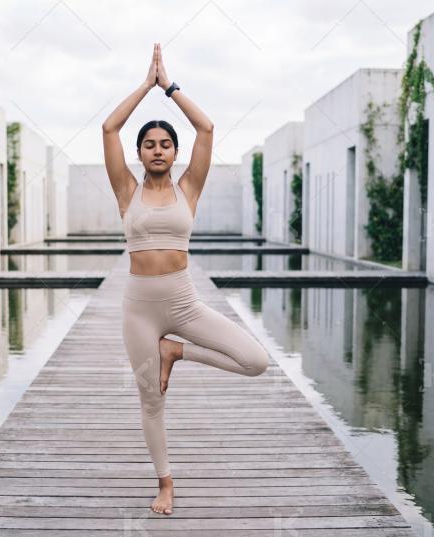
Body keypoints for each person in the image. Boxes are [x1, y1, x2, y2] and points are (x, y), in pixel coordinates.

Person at [101, 43, 270, 516]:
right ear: (139, 153)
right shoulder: (126, 190)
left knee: (256, 360)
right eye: (149, 144)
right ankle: (165, 481)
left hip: (183, 303)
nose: (158, 149)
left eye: (165, 144)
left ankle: (177, 351)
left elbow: (208, 128)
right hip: (139, 309)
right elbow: (109, 127)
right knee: (151, 399)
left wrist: (169, 87)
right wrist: (144, 85)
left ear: (175, 152)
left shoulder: (188, 189)